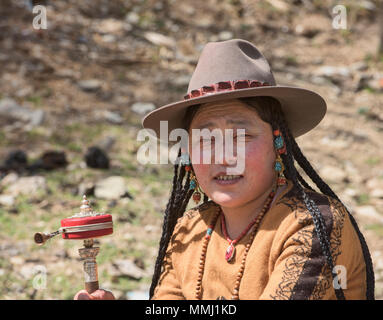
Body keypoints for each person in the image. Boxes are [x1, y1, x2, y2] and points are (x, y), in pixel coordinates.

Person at [74, 39, 375, 300]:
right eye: (205, 139)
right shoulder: (190, 231)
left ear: (279, 142)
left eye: (241, 136)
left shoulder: (312, 224)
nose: (223, 156)